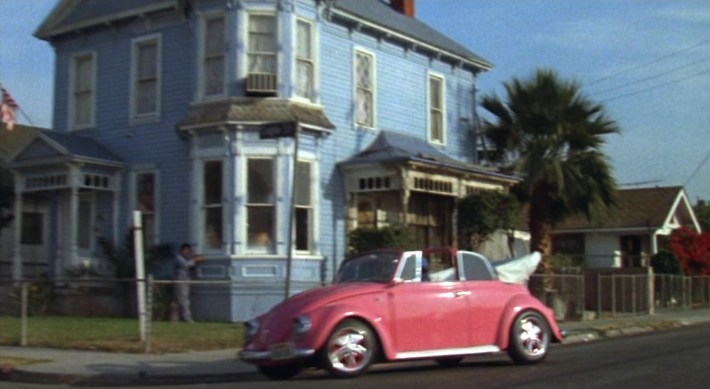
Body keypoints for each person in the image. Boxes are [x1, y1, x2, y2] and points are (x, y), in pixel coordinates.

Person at [171, 243, 202, 322]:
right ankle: (187, 318)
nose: (188, 252)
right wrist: (194, 260)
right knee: (184, 300)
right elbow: (185, 265)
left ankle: (174, 318)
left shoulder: (187, 258)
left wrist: (196, 262)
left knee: (177, 301)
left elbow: (191, 267)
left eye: (189, 251)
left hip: (186, 280)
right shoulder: (178, 258)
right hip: (180, 281)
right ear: (183, 250)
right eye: (187, 250)